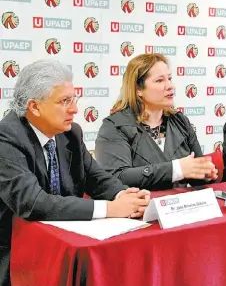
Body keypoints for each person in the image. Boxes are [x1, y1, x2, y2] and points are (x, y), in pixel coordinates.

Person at [0, 60, 151, 286]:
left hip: (63, 246)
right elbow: (32, 202)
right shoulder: (6, 138)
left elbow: (94, 177)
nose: (74, 109)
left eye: (74, 99)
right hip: (16, 253)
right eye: (64, 101)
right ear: (34, 107)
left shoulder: (70, 133)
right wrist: (109, 208)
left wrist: (125, 196)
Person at [95, 53, 217, 190]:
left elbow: (197, 174)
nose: (170, 86)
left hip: (181, 208)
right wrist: (176, 169)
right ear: (138, 89)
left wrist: (204, 173)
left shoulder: (180, 121)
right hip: (141, 208)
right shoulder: (114, 126)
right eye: (160, 80)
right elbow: (117, 177)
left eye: (169, 78)